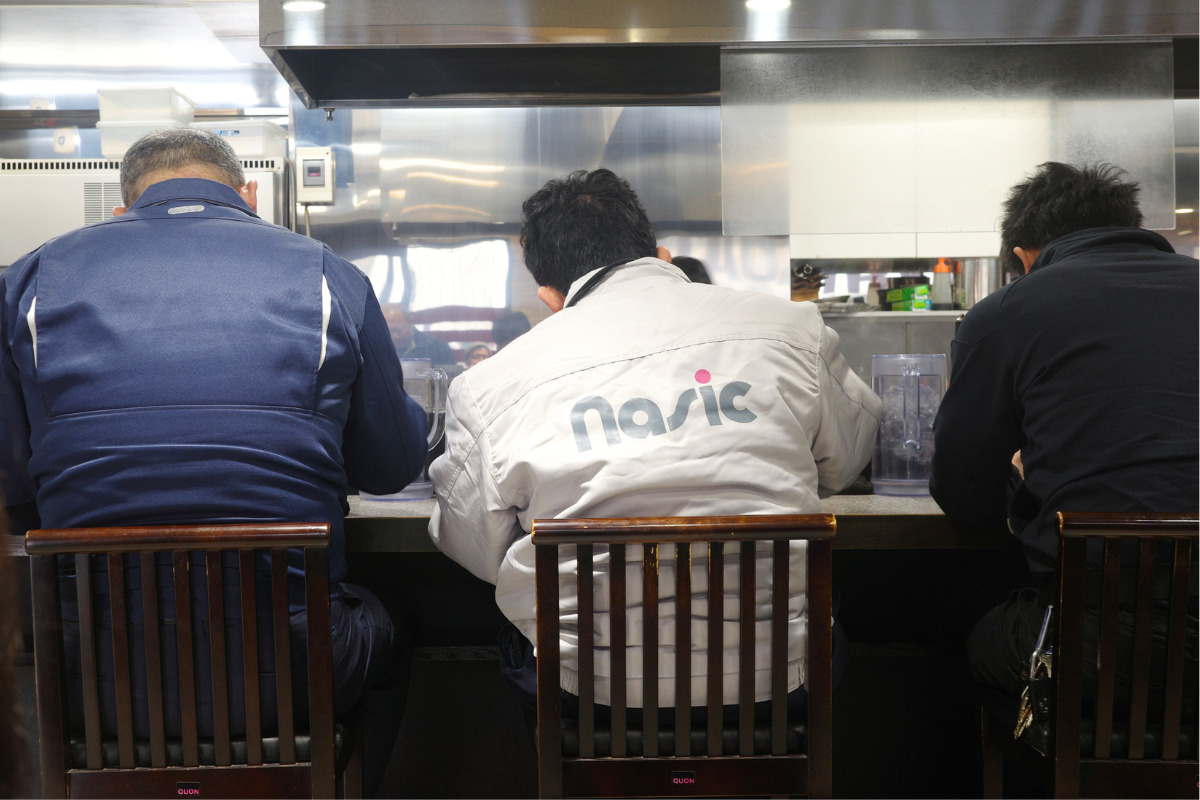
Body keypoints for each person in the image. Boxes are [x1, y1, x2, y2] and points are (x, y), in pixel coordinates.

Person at [0, 128, 427, 797]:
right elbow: (391, 467)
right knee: (395, 622)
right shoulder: (327, 276)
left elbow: (15, 483)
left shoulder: (24, 283)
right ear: (248, 195)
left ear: (121, 212)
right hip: (287, 677)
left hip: (93, 678)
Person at [429, 168, 880, 727]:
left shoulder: (492, 384)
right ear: (663, 256)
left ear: (552, 298)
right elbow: (851, 455)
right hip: (781, 682)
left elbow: (474, 547)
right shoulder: (792, 329)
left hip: (588, 697)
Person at [929, 161, 1199, 704]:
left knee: (969, 635)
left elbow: (962, 495)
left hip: (1100, 645)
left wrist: (1019, 490)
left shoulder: (1008, 311)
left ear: (1022, 255)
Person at [380, 302, 458, 368]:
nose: (395, 336)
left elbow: (450, 381)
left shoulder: (437, 348)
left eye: (398, 330)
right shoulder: (373, 348)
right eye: (388, 332)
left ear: (410, 322)